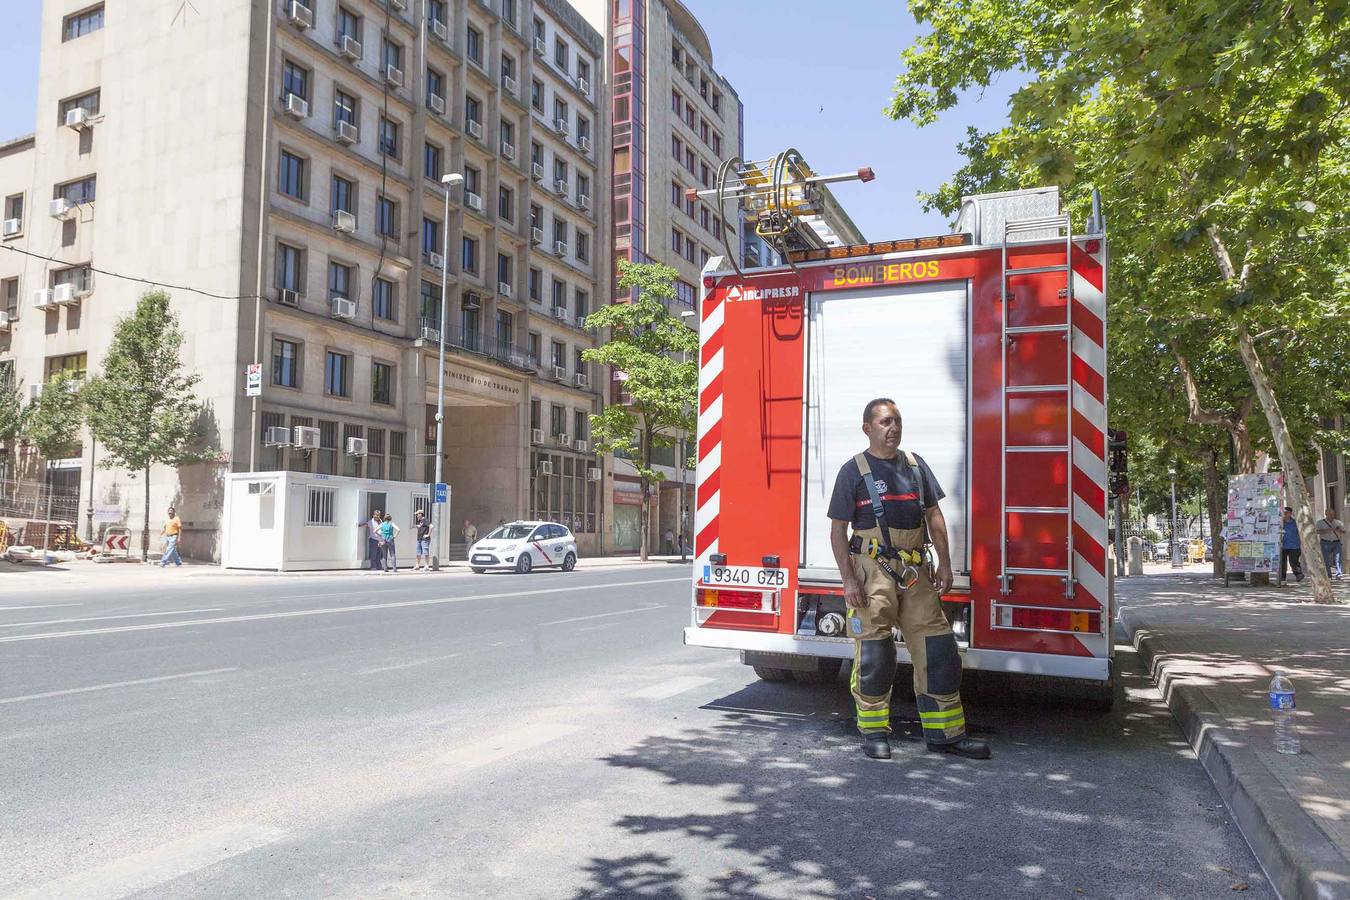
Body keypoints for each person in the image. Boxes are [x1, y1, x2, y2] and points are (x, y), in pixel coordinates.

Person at [828, 398, 990, 761]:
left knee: (939, 651)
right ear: (867, 428)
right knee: (874, 654)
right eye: (885, 422)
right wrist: (849, 580)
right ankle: (873, 734)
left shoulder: (916, 467)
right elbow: (838, 531)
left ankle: (945, 735)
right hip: (872, 572)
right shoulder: (852, 471)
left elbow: (934, 516)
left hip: (917, 573)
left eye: (897, 421)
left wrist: (946, 564)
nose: (893, 428)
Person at [1316, 507, 1345, 579]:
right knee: (1326, 559)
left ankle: (1338, 574)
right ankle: (1328, 575)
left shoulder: (1338, 522)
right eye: (1329, 514)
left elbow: (1344, 532)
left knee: (1338, 559)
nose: (1331, 515)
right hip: (1325, 542)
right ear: (1326, 514)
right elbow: (1317, 531)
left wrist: (1339, 530)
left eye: (1332, 514)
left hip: (1336, 542)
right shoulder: (1320, 522)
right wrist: (1329, 529)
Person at [1278, 506, 1303, 584]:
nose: (1284, 515)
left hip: (1294, 545)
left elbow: (1301, 533)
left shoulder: (1295, 523)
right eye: (1283, 513)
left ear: (1290, 514)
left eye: (1286, 513)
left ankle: (1298, 574)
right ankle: (1282, 578)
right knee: (1282, 563)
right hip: (1283, 545)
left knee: (1294, 562)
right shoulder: (1280, 523)